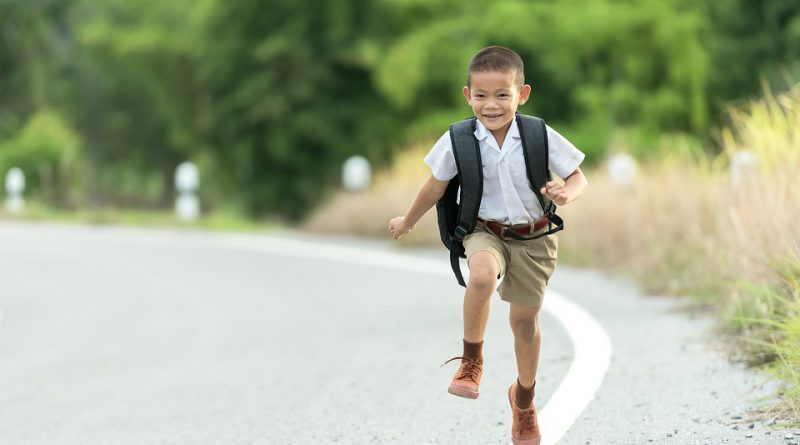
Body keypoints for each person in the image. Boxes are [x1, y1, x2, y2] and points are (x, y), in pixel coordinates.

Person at [388, 46, 588, 445]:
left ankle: (524, 401)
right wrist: (408, 219)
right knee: (481, 277)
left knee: (524, 324)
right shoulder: (458, 139)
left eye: (502, 95)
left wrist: (566, 192)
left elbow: (578, 176)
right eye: (481, 96)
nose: (491, 105)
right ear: (468, 95)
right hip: (485, 230)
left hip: (534, 237)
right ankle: (471, 361)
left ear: (522, 94)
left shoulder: (537, 134)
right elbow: (435, 185)